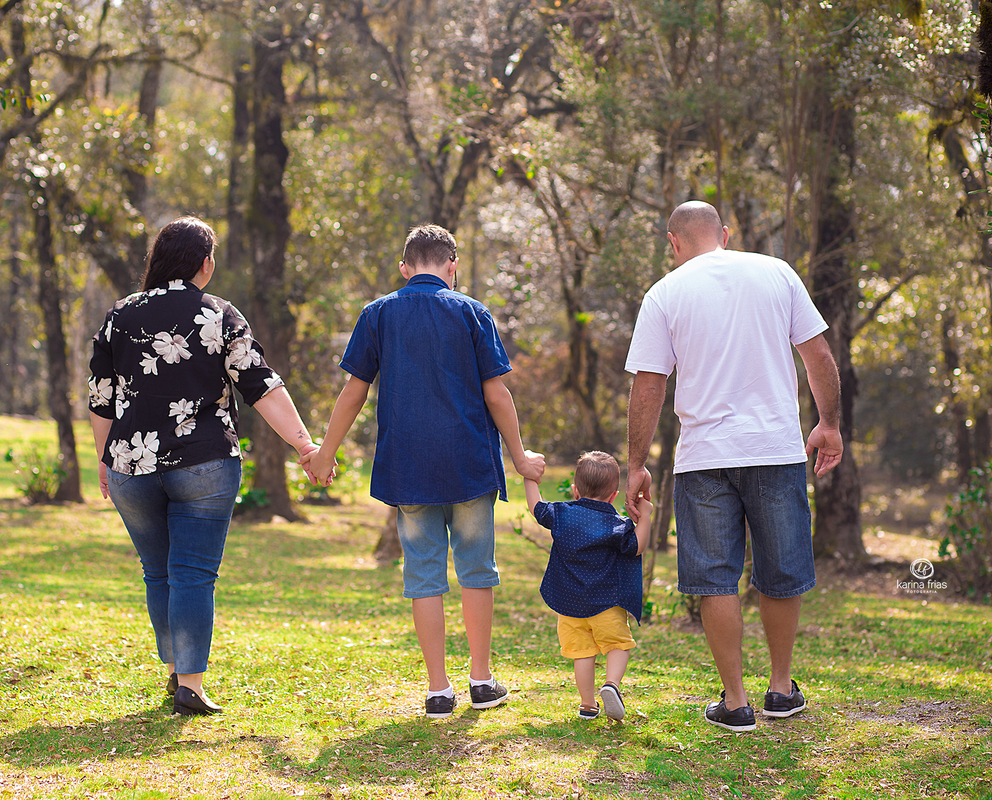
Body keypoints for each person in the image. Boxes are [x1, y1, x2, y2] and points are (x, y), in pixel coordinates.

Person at [305, 224, 545, 718]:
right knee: (476, 570)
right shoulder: (473, 312)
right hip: (469, 463)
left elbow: (354, 391)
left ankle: (438, 689)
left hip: (408, 466)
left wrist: (326, 452)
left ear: (404, 268)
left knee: (423, 574)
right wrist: (520, 457)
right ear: (452, 265)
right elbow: (497, 393)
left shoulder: (378, 313)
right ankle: (481, 680)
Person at [623, 201, 843, 733]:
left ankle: (736, 702)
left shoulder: (664, 293)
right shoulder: (777, 273)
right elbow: (817, 355)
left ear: (673, 243)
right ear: (724, 233)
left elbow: (649, 385)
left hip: (703, 458)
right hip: (775, 449)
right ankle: (781, 689)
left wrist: (636, 464)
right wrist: (829, 423)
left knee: (715, 577)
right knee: (781, 571)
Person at [88, 216, 319, 716]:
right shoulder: (218, 314)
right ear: (205, 264)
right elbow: (259, 384)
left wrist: (105, 458)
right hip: (205, 463)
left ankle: (176, 669)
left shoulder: (119, 315)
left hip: (131, 464)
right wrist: (305, 444)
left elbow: (101, 397)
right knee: (192, 573)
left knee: (157, 571)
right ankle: (190, 685)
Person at [525, 451, 653, 722]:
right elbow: (637, 547)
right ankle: (612, 685)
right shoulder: (617, 525)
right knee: (618, 645)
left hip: (569, 606)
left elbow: (536, 507)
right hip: (607, 604)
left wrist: (530, 475)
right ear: (613, 496)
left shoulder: (561, 514)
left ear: (575, 491)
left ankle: (587, 704)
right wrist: (646, 515)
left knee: (582, 654)